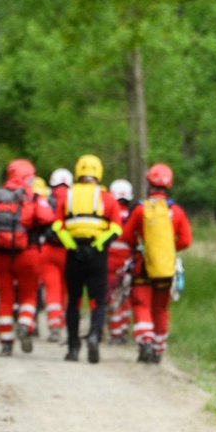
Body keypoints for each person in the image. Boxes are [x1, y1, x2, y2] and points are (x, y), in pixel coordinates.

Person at [51, 154, 124, 364]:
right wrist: (96, 247)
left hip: (73, 255)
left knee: (73, 301)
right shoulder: (107, 198)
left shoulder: (69, 196)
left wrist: (72, 246)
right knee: (97, 301)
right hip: (97, 256)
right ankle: (93, 335)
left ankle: (73, 347)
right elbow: (116, 228)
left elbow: (57, 226)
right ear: (98, 173)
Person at [0, 159, 55, 355]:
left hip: (0, 254)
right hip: (28, 253)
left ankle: (6, 342)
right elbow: (47, 217)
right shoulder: (32, 197)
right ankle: (25, 324)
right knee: (28, 295)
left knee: (5, 298)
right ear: (28, 177)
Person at [122, 165, 191, 364]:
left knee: (141, 303)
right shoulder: (176, 211)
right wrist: (168, 249)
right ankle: (159, 349)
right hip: (166, 267)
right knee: (161, 308)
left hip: (143, 265)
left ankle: (145, 341)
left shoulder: (140, 209)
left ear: (148, 183)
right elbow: (186, 240)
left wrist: (143, 246)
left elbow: (127, 237)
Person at [38, 168, 73, 341]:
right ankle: (63, 321)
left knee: (52, 288)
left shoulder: (47, 199)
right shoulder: (75, 200)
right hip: (69, 249)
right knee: (66, 289)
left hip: (48, 250)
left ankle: (54, 325)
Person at [106, 178, 138, 344]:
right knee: (126, 295)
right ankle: (125, 328)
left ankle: (116, 332)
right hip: (128, 261)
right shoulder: (134, 213)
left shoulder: (109, 211)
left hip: (110, 259)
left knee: (111, 295)